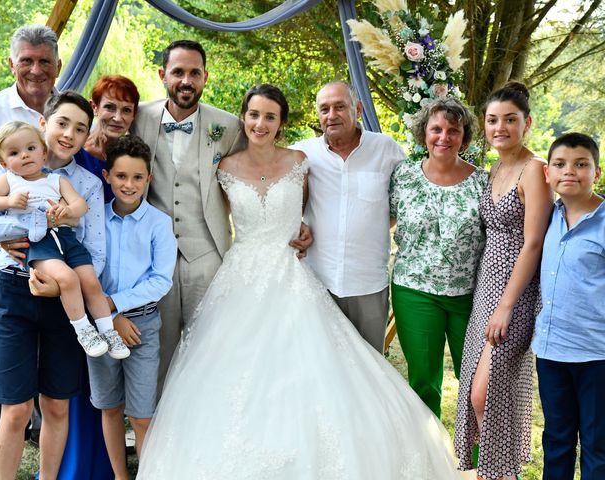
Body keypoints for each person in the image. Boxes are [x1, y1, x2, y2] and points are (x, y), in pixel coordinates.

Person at [136, 84, 459, 479]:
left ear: (281, 122)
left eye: (270, 116)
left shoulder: (301, 161)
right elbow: (215, 216)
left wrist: (302, 228)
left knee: (319, 369)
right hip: (241, 280)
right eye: (253, 115)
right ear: (244, 118)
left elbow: (306, 209)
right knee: (239, 376)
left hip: (296, 275)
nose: (260, 123)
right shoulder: (224, 167)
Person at [131, 40, 311, 392]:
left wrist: (296, 220)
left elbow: (264, 170)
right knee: (159, 350)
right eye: (178, 72)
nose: (186, 80)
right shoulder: (139, 119)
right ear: (162, 74)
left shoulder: (228, 126)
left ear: (205, 77)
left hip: (211, 256)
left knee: (211, 350)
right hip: (154, 258)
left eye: (194, 73)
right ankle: (157, 432)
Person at [0, 91, 106, 480]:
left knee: (57, 405)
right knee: (14, 407)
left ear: (85, 138)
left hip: (63, 300)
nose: (69, 134)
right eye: (62, 123)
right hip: (13, 291)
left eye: (80, 129)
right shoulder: (12, 168)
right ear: (44, 123)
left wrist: (59, 284)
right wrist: (30, 228)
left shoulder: (86, 184)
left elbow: (95, 251)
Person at [0, 24, 61, 480]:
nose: (36, 69)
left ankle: (46, 453)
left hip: (58, 259)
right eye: (27, 60)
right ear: (12, 63)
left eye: (44, 61)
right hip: (1, 260)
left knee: (50, 360)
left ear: (58, 65)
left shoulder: (66, 110)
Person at [455, 82, 554, 480]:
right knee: (481, 393)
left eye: (510, 120)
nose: (500, 127)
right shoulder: (494, 167)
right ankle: (493, 473)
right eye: (493, 120)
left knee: (489, 390)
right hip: (485, 288)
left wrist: (507, 307)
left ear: (526, 123)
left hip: (515, 293)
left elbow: (533, 243)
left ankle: (502, 473)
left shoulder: (535, 170)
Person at [0, 121, 129, 359]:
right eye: (14, 153)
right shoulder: (10, 181)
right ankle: (84, 332)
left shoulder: (57, 180)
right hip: (40, 242)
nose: (25, 156)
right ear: (4, 162)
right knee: (68, 277)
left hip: (67, 238)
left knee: (90, 282)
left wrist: (69, 211)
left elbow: (81, 204)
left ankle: (108, 332)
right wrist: (8, 202)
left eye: (30, 148)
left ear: (43, 152)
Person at [389, 97, 487, 418]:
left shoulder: (483, 183)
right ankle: (430, 459)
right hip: (414, 292)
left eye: (453, 130)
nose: (444, 137)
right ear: (424, 133)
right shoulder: (402, 176)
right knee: (423, 383)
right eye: (436, 129)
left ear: (464, 136)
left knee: (476, 385)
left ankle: (476, 463)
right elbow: (378, 220)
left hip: (469, 297)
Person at [291, 81, 406, 352]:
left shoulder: (386, 150)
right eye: (324, 109)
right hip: (317, 279)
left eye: (339, 107)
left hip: (367, 282)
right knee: (319, 363)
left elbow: (403, 204)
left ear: (357, 108)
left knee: (371, 365)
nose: (331, 115)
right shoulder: (302, 153)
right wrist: (296, 223)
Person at [87, 135, 177, 479]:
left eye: (137, 177)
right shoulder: (95, 221)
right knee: (110, 408)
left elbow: (160, 280)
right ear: (107, 176)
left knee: (141, 415)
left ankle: (147, 474)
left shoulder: (158, 223)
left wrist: (116, 305)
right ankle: (120, 476)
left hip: (142, 327)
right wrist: (110, 316)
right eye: (121, 176)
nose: (129, 184)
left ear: (148, 180)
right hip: (100, 324)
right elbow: (87, 273)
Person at [532, 133, 605, 479]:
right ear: (548, 173)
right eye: (560, 164)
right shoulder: (549, 216)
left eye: (581, 164)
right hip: (551, 351)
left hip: (596, 355)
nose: (569, 172)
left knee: (597, 443)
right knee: (557, 439)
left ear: (597, 172)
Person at [76, 75, 140, 202]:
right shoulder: (74, 148)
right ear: (94, 107)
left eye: (126, 110)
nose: (117, 118)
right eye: (110, 107)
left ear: (134, 115)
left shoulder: (132, 155)